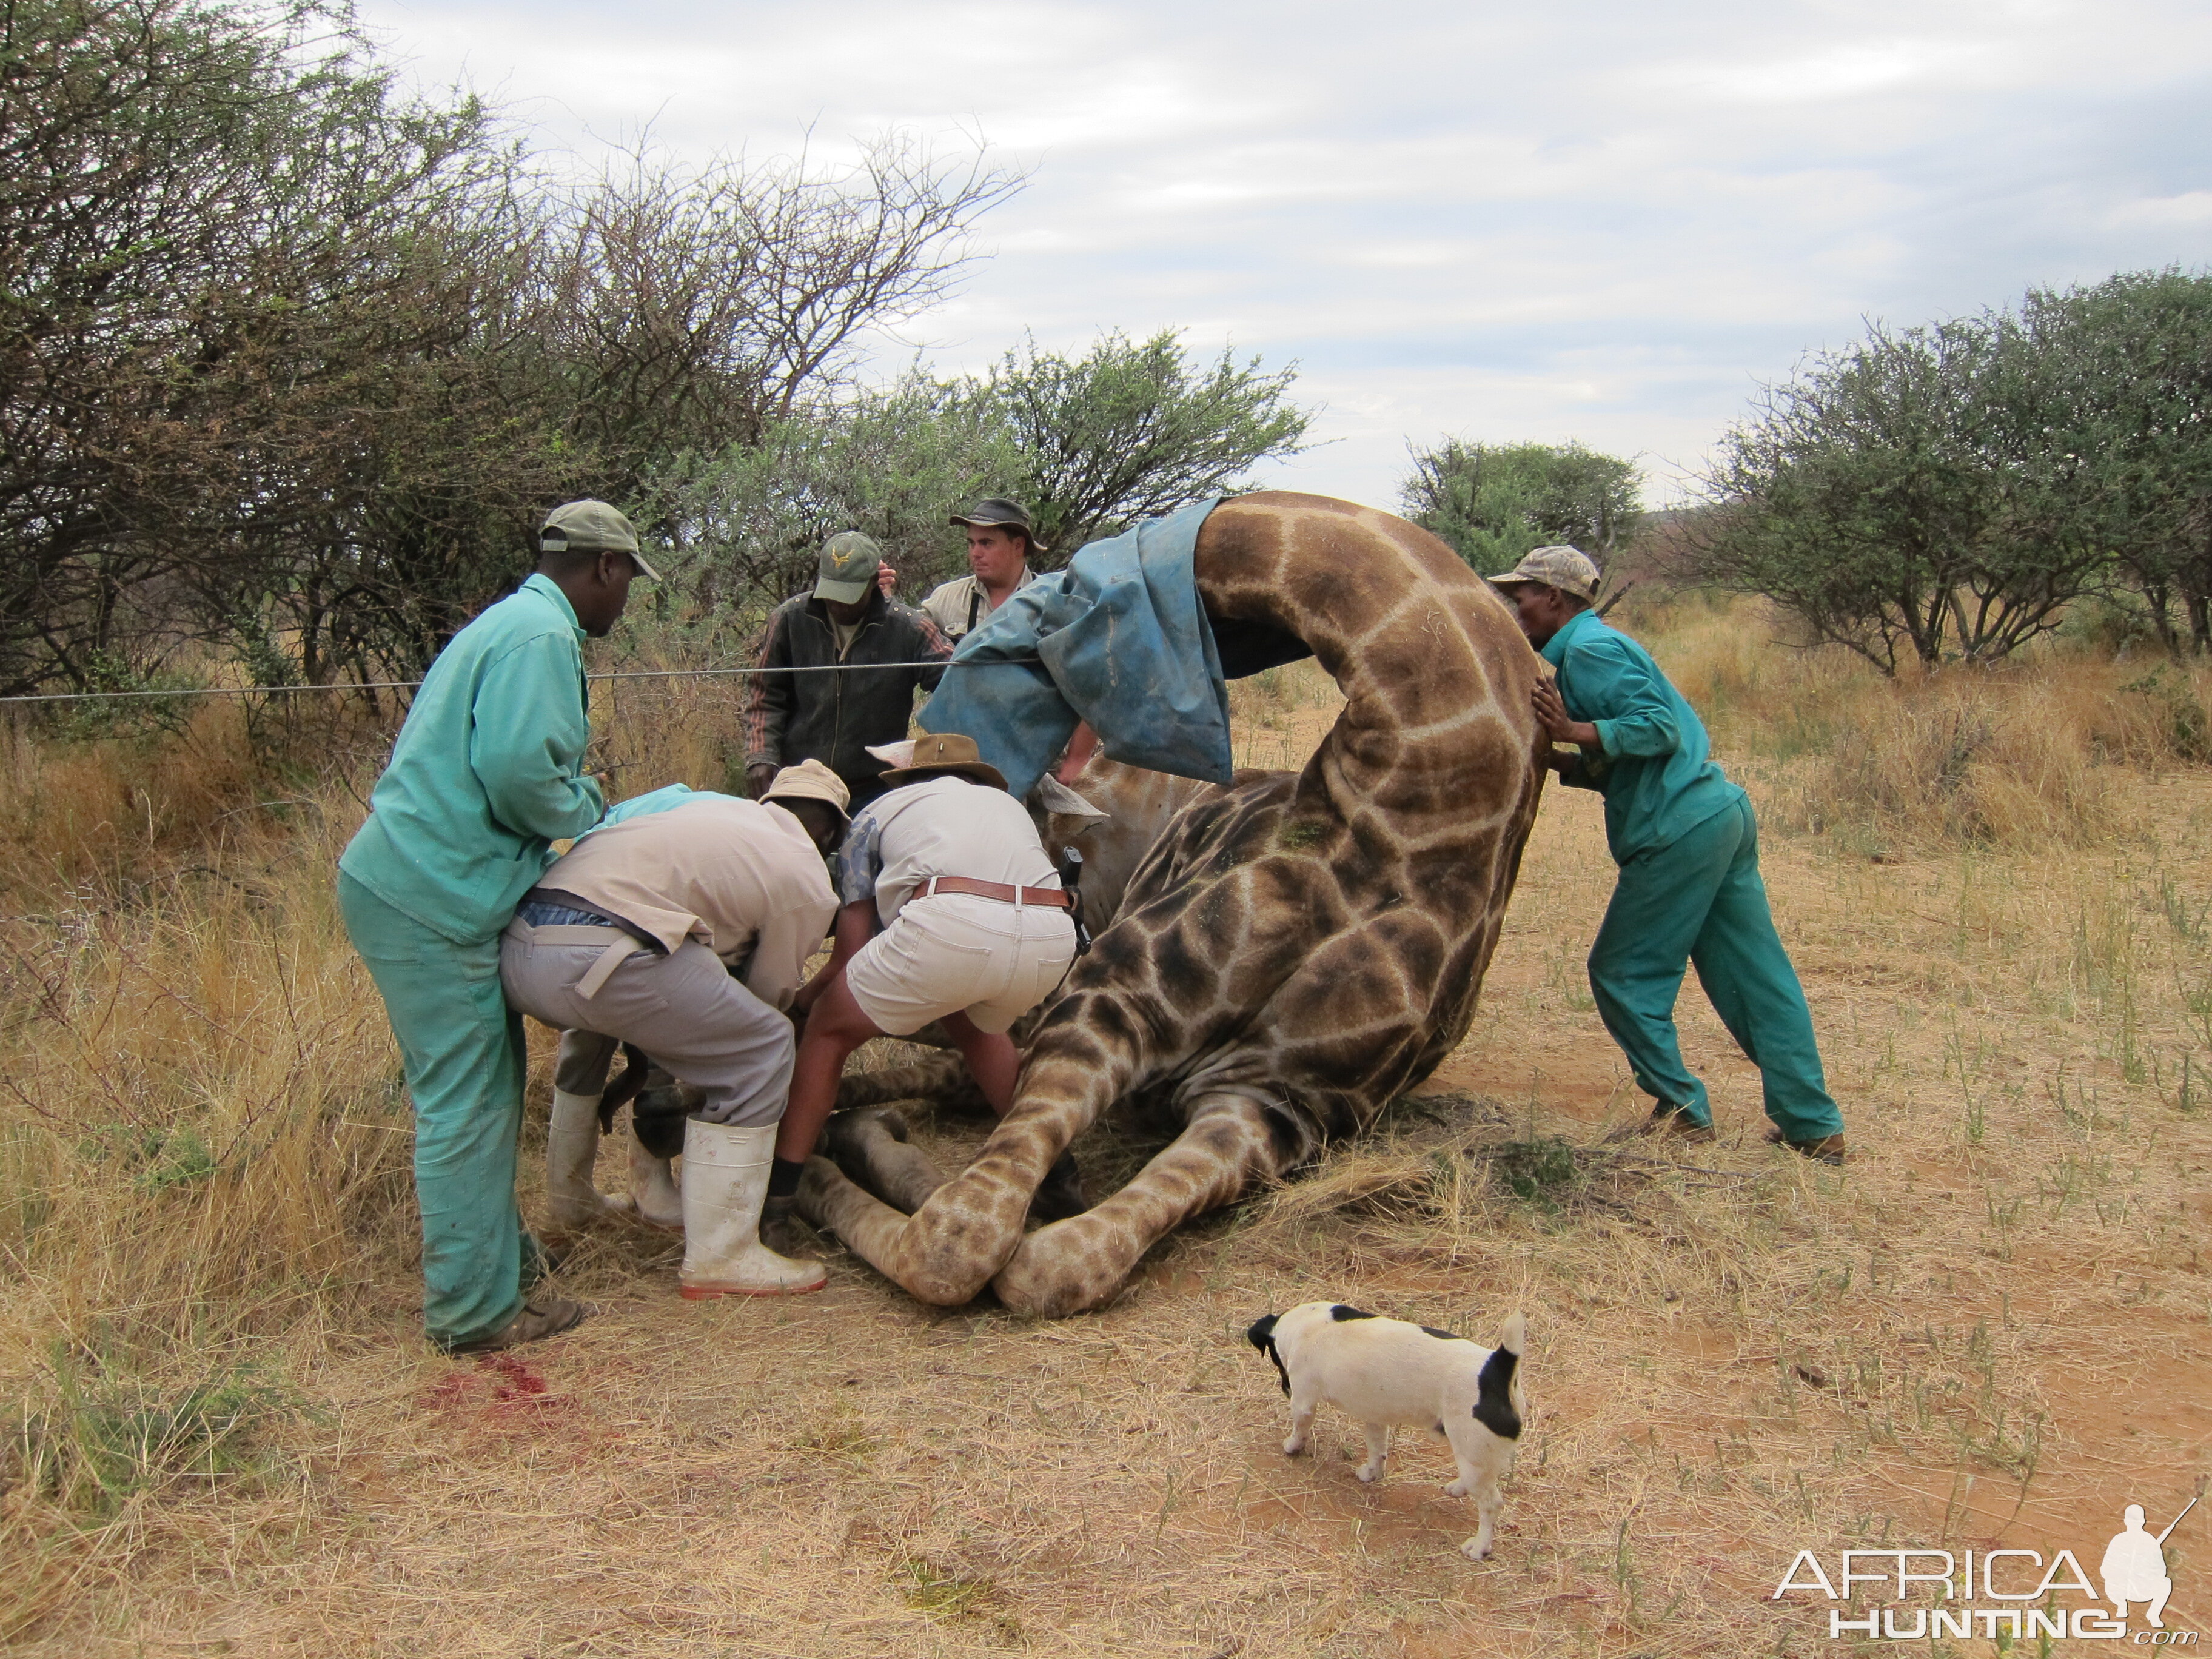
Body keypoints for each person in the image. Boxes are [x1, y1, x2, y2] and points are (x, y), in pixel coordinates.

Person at [337, 500, 655, 1353]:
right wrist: (589, 803)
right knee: (466, 1106)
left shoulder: (514, 621)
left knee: (485, 1089)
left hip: (417, 883)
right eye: (627, 579)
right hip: (427, 893)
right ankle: (475, 1313)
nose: (625, 599)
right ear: (602, 569)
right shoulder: (543, 636)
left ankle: (500, 1277)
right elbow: (520, 780)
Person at [1493, 545, 1848, 1164]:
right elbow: (1638, 754)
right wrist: (1565, 760)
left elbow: (1658, 727)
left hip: (1679, 829)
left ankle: (1682, 1111)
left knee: (1623, 973)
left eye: (1521, 592)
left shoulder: (1590, 650)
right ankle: (1813, 1124)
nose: (1514, 603)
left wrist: (1576, 731)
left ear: (1554, 597)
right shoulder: (1591, 646)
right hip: (1715, 814)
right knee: (1756, 978)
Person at [500, 762, 847, 1298]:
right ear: (832, 836)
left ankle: (570, 1200)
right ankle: (723, 1253)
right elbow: (768, 994)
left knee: (592, 1026)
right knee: (764, 1046)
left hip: (524, 949)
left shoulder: (706, 810)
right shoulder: (807, 877)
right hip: (602, 954)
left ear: (770, 802)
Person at [770, 733, 1085, 1241]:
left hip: (953, 920)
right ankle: (1060, 1177)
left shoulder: (876, 814)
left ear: (905, 777)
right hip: (1053, 936)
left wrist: (802, 1005)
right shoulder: (1006, 806)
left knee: (829, 1033)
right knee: (977, 1029)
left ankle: (777, 1202)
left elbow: (846, 959)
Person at [743, 530, 953, 814]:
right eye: (831, 592)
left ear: (872, 583)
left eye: (848, 595)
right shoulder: (791, 618)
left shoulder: (909, 629)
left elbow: (955, 685)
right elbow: (765, 697)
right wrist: (761, 757)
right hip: (800, 782)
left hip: (876, 788)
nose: (837, 604)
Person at [920, 497, 1044, 642]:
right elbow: (908, 638)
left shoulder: (1050, 598)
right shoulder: (946, 598)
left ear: (1018, 546)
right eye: (972, 543)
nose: (975, 554)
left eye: (986, 543)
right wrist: (888, 604)